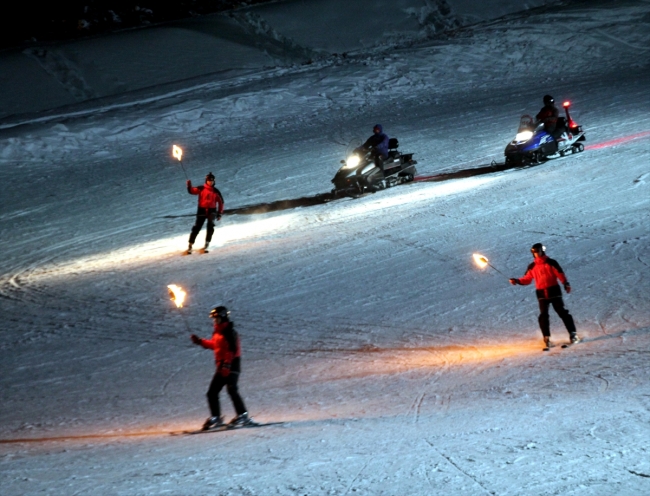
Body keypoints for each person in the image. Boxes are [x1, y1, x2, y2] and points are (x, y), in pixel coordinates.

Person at [190, 306, 253, 430]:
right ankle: (216, 417)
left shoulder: (229, 332)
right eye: (214, 318)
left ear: (223, 317)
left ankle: (243, 415)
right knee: (212, 393)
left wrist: (227, 365)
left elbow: (232, 349)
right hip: (222, 366)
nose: (214, 321)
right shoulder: (217, 332)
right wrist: (200, 341)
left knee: (232, 389)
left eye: (216, 318)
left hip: (232, 364)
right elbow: (216, 345)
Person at [509, 243, 579, 349]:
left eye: (538, 252)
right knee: (543, 315)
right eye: (535, 253)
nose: (537, 254)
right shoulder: (532, 266)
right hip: (541, 293)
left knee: (562, 312)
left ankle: (573, 334)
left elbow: (560, 274)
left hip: (554, 291)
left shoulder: (551, 262)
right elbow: (527, 279)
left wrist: (565, 283)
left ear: (542, 251)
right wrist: (517, 281)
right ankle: (546, 338)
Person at [185, 172, 224, 254]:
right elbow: (192, 191)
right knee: (197, 228)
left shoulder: (216, 191)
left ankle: (206, 244)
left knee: (210, 228)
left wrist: (220, 213)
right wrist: (189, 185)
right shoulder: (201, 188)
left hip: (212, 211)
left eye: (212, 181)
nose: (211, 182)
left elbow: (221, 202)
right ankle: (190, 245)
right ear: (206, 181)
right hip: (201, 210)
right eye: (209, 181)